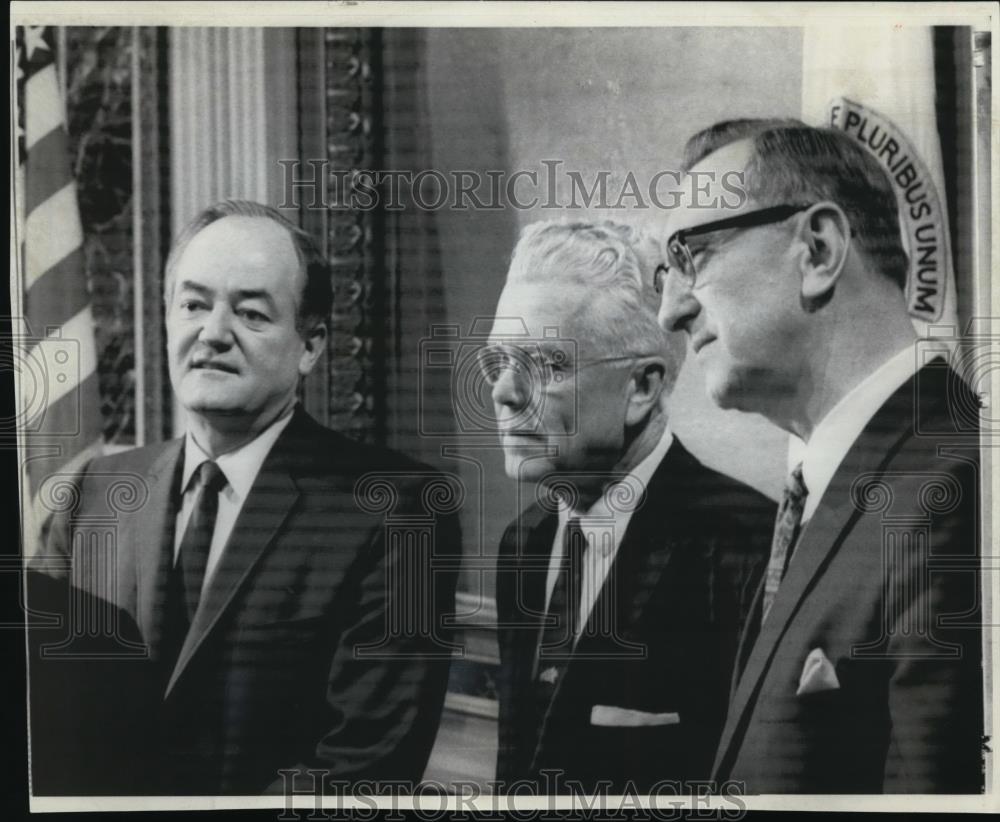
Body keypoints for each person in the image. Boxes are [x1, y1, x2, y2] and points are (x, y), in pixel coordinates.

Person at [34, 200, 460, 795]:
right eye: (193, 305)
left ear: (309, 345)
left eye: (252, 313)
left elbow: (367, 767)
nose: (212, 334)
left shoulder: (396, 509)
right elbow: (36, 717)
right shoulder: (89, 495)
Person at [657, 119, 983, 793]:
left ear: (818, 249)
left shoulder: (963, 488)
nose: (670, 310)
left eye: (693, 256)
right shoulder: (835, 487)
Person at [488, 220, 774, 794]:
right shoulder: (525, 541)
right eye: (497, 363)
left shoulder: (749, 547)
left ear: (641, 388)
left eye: (544, 365)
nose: (504, 393)